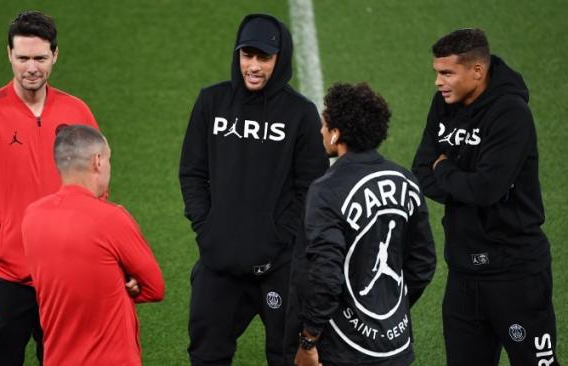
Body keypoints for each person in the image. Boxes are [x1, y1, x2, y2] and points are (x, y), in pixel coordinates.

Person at [0, 11, 98, 365]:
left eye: (41, 58)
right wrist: (0, 243)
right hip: (3, 278)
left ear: (55, 55)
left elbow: (97, 185)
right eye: (23, 57)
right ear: (9, 55)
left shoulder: (78, 112)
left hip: (64, 276)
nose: (32, 67)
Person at [179, 13, 329, 366]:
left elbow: (311, 188)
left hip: (279, 266)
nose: (254, 66)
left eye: (264, 57)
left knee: (286, 357)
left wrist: (280, 236)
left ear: (280, 59)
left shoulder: (301, 114)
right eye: (247, 55)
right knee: (206, 355)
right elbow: (192, 173)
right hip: (219, 264)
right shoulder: (211, 103)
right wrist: (207, 228)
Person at [412, 28, 559, 365]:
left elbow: (486, 190)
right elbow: (421, 170)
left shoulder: (511, 114)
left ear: (477, 71)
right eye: (437, 72)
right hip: (463, 272)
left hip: (515, 274)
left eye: (447, 73)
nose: (438, 82)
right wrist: (458, 179)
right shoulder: (444, 104)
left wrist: (445, 169)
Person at [294, 82, 436, 366]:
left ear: (336, 134)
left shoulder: (326, 189)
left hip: (346, 349)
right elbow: (423, 263)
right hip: (395, 346)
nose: (321, 131)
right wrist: (389, 308)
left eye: (325, 124)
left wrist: (308, 340)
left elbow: (326, 275)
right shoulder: (406, 180)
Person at [21, 125, 164, 365]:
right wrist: (120, 284)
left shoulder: (32, 216)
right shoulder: (111, 218)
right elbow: (155, 288)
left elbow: (64, 279)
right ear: (98, 161)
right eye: (109, 159)